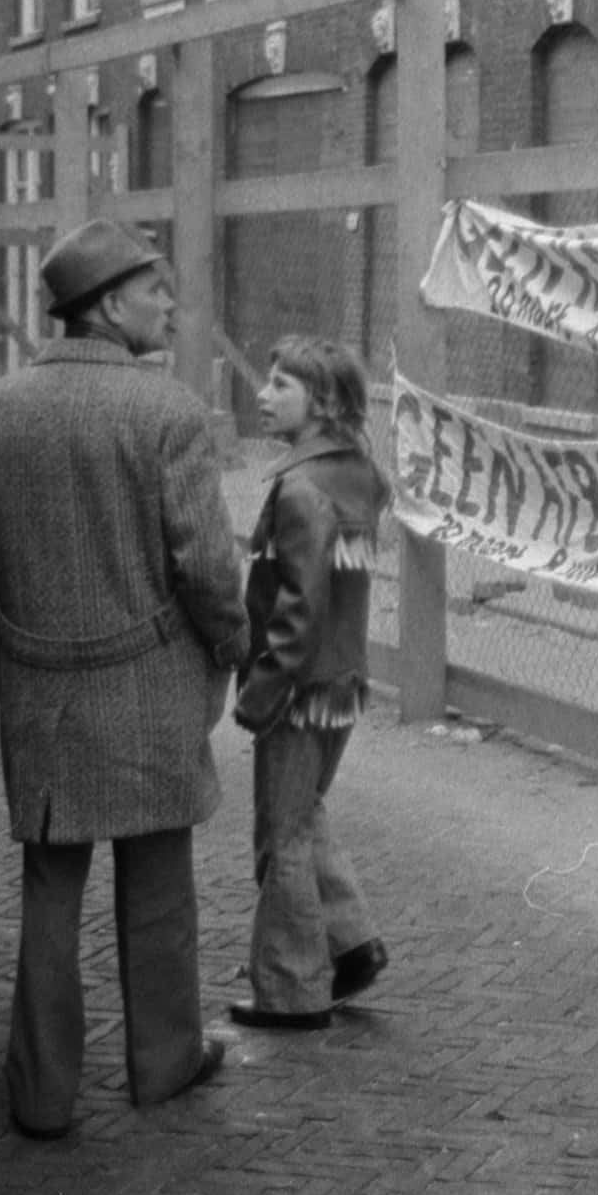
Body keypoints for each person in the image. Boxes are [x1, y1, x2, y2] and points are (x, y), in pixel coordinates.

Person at [0, 218, 248, 1139]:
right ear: (110, 305)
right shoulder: (170, 413)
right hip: (151, 684)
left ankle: (41, 1092)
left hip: (39, 686)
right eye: (157, 292)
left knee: (48, 887)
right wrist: (229, 647)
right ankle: (165, 1063)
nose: (169, 306)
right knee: (158, 885)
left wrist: (16, 630)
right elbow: (206, 570)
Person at [227, 336, 394, 1030]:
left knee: (282, 833)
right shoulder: (358, 472)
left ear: (321, 401)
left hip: (296, 690)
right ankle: (352, 946)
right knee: (305, 813)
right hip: (341, 685)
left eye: (280, 386)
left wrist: (260, 689)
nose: (263, 397)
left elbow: (298, 606)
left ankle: (292, 991)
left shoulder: (299, 488)